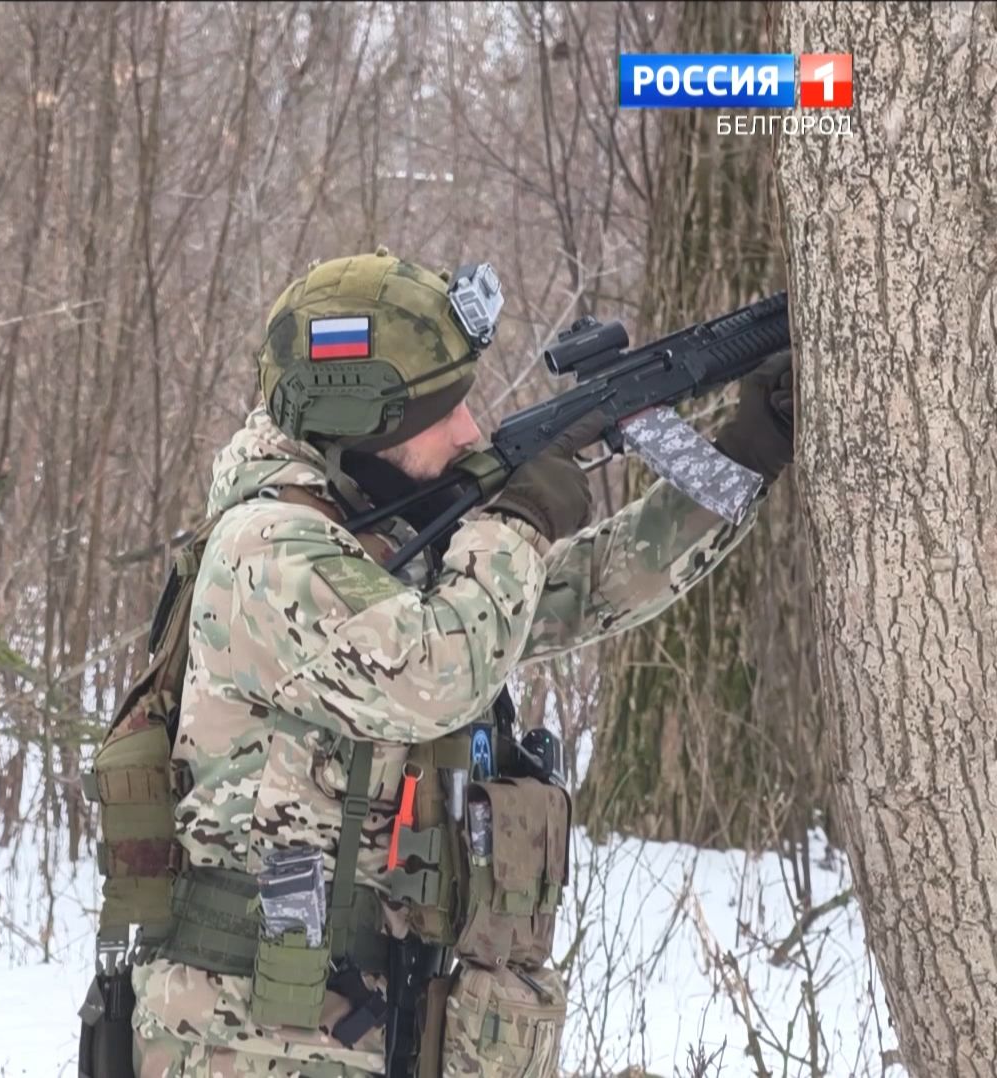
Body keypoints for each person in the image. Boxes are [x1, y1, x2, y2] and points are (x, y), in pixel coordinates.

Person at [126, 250, 794, 1076]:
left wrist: (747, 451)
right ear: (360, 424)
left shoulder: (376, 539)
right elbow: (435, 677)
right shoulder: (266, 550)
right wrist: (517, 518)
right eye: (441, 413)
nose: (471, 430)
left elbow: (577, 594)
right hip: (250, 1039)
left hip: (359, 1024)